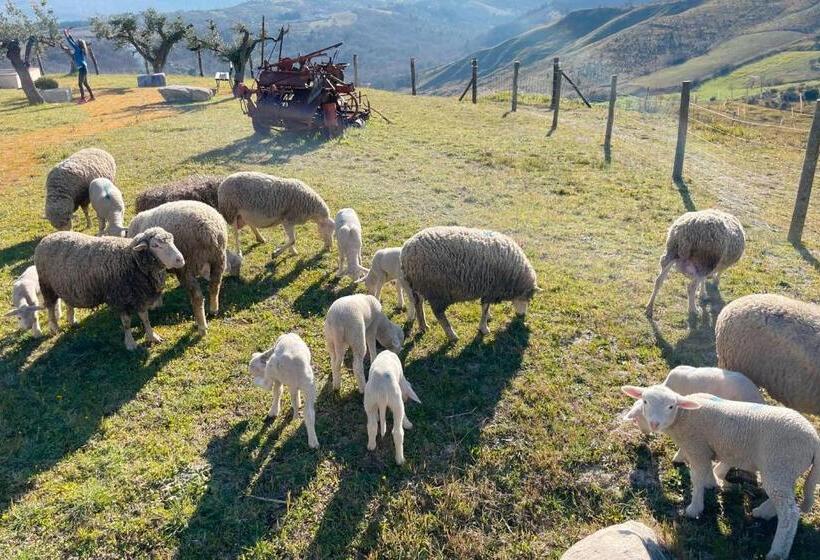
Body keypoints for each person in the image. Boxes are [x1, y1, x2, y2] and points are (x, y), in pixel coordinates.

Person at [64, 28, 94, 103]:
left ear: (78, 44)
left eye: (77, 42)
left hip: (82, 68)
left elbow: (71, 42)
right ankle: (92, 97)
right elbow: (73, 41)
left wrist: (65, 34)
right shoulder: (79, 48)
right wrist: (69, 34)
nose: (76, 42)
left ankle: (83, 99)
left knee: (80, 84)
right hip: (84, 67)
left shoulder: (77, 48)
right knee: (85, 83)